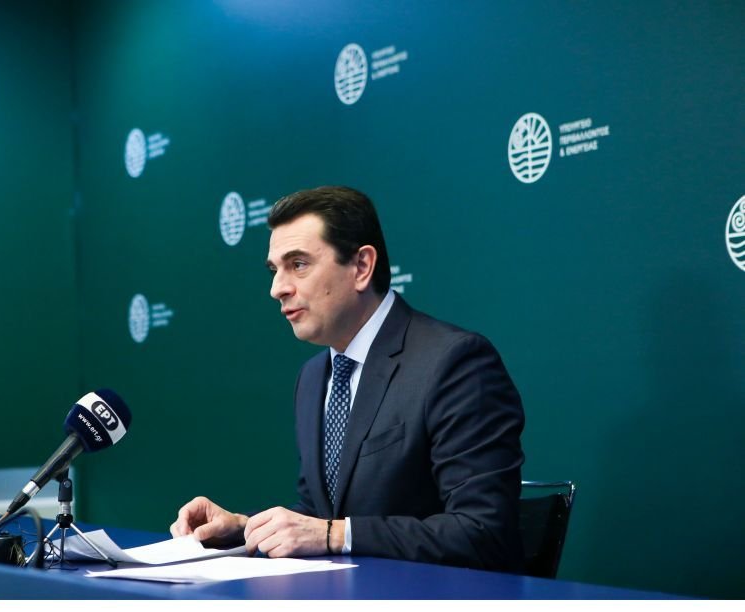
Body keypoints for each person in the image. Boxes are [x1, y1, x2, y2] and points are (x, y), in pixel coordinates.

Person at [170, 186, 525, 571]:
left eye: (298, 264)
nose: (277, 289)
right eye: (274, 270)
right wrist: (243, 528)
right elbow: (319, 514)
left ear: (361, 267)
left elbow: (482, 531)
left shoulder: (454, 362)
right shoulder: (313, 377)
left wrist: (334, 535)